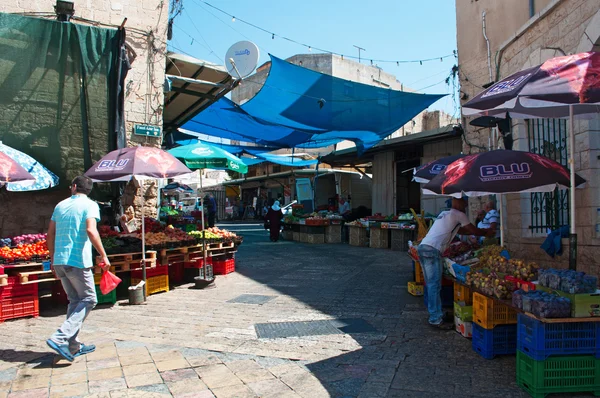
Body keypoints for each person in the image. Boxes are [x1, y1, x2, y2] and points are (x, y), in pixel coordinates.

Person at [46, 176, 111, 362]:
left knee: (75, 300)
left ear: (74, 187)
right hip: (77, 260)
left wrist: (53, 259)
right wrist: (103, 255)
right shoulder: (90, 205)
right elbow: (91, 230)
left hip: (60, 260)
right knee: (89, 299)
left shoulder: (60, 206)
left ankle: (72, 345)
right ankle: (60, 337)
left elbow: (50, 234)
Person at [417, 197, 494, 329]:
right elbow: (472, 230)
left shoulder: (444, 214)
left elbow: (461, 230)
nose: (465, 205)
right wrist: (487, 233)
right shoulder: (459, 214)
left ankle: (435, 313)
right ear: (456, 202)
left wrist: (480, 232)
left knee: (431, 285)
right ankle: (435, 318)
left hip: (423, 248)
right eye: (463, 202)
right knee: (434, 285)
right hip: (432, 250)